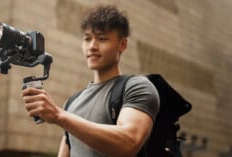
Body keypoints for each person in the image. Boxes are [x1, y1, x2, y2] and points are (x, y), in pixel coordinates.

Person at [22, 5, 159, 157]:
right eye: (87, 39)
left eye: (102, 38)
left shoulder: (138, 87)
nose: (92, 46)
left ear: (122, 44)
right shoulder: (72, 102)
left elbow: (129, 142)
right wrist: (61, 115)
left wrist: (58, 115)